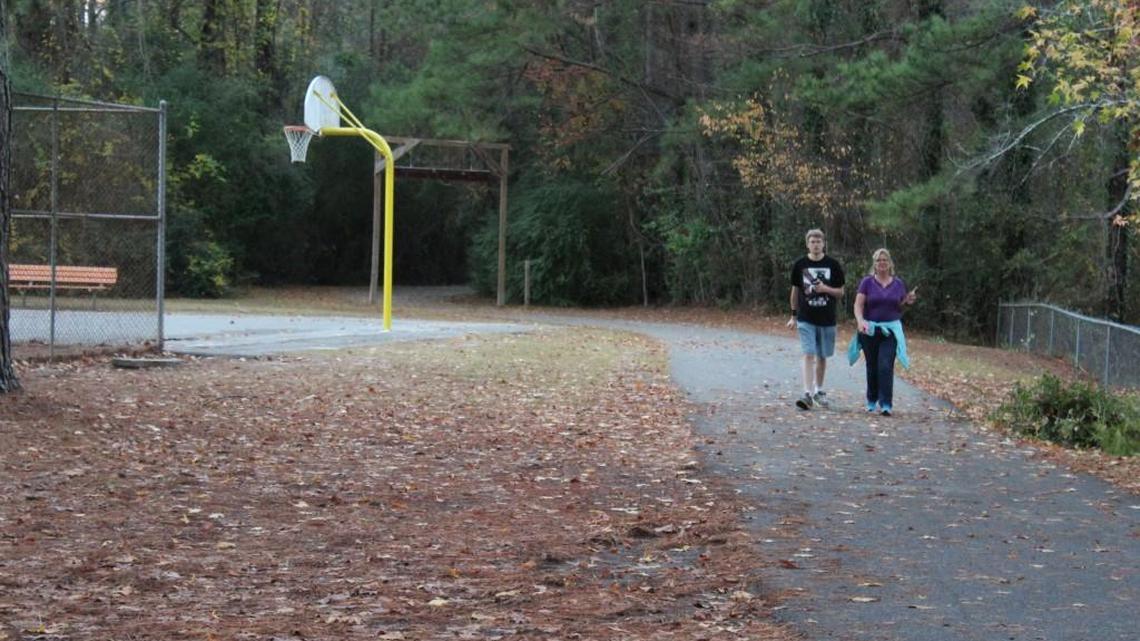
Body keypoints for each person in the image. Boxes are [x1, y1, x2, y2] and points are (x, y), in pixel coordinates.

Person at [850, 248, 917, 416]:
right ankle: (872, 400)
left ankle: (886, 403)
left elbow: (899, 305)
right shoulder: (867, 282)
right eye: (879, 260)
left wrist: (908, 301)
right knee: (872, 365)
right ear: (874, 264)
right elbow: (858, 304)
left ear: (890, 263)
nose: (882, 263)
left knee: (885, 365)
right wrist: (860, 321)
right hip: (870, 329)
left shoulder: (898, 283)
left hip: (891, 331)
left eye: (885, 260)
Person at [786, 229, 845, 410]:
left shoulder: (833, 265)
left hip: (827, 318)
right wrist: (793, 315)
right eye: (812, 241)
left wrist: (825, 289)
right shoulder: (800, 265)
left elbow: (840, 292)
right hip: (806, 318)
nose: (816, 244)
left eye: (819, 241)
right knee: (808, 353)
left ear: (823, 244)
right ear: (807, 244)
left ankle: (819, 391)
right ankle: (807, 394)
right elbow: (795, 291)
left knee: (822, 356)